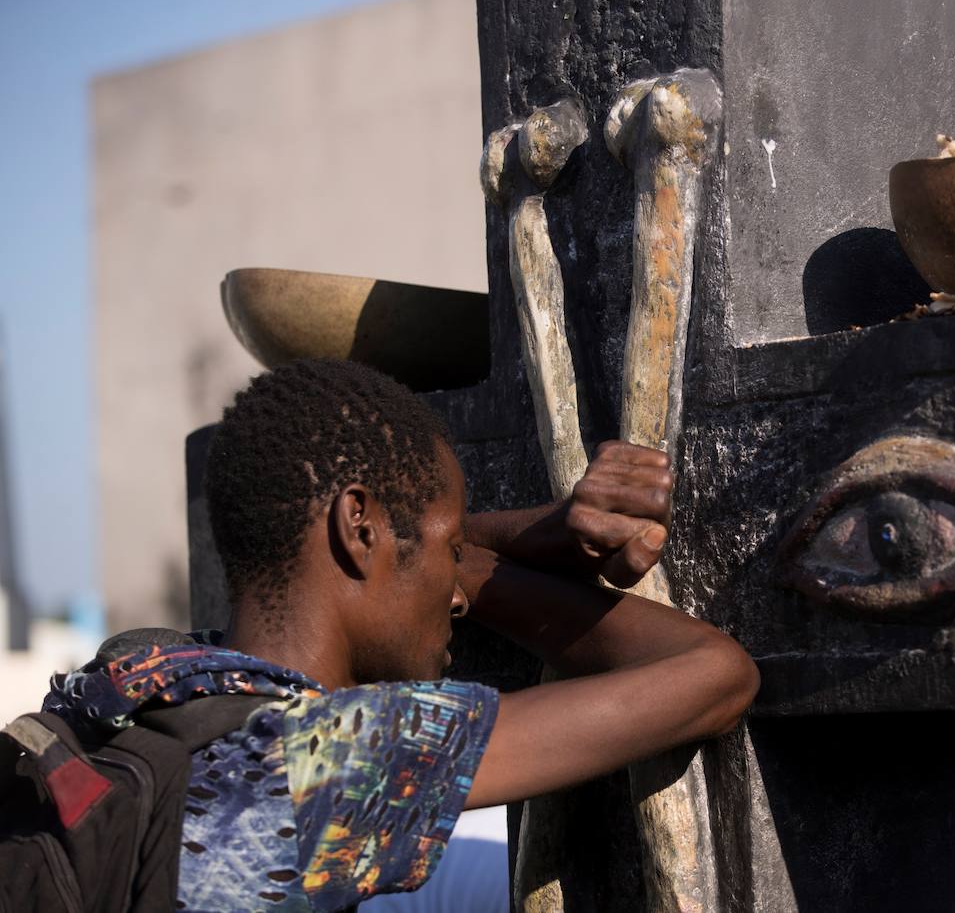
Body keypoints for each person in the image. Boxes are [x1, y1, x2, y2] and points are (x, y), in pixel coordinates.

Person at [42, 359, 758, 911]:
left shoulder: (142, 675)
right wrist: (496, 573)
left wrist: (504, 537)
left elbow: (388, 551)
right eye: (451, 552)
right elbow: (715, 674)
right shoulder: (328, 767)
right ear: (359, 528)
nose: (452, 593)